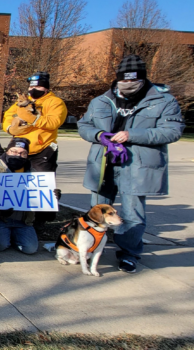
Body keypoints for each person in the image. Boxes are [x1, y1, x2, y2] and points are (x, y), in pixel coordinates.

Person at [77, 54, 184, 274]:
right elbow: (83, 125)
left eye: (132, 80)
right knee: (96, 212)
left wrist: (131, 135)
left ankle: (129, 254)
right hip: (103, 165)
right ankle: (91, 248)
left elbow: (172, 131)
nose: (127, 84)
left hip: (136, 166)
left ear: (143, 79)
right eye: (123, 80)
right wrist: (99, 135)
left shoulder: (164, 101)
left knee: (132, 213)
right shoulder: (100, 100)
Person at [2, 72, 67, 172]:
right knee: (15, 180)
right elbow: (8, 115)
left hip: (43, 149)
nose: (33, 89)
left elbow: (54, 122)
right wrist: (10, 128)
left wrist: (33, 118)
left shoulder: (55, 102)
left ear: (46, 88)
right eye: (31, 86)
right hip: (19, 148)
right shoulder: (23, 101)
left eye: (38, 86)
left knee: (41, 183)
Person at [0, 138, 38, 255]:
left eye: (22, 153)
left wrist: (52, 194)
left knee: (30, 249)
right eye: (14, 151)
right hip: (0, 220)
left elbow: (40, 196)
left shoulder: (34, 173)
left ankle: (15, 237)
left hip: (23, 221)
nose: (18, 155)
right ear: (7, 151)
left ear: (27, 155)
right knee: (0, 246)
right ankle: (6, 237)